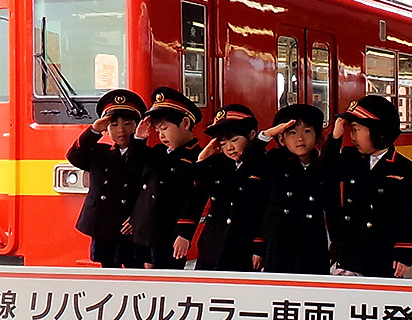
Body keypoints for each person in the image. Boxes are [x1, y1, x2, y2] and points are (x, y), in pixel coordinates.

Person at [323, 95, 412, 278]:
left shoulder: (407, 171)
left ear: (379, 132)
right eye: (351, 130)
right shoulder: (350, 158)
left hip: (382, 258)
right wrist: (335, 136)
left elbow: (410, 216)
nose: (352, 136)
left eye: (356, 130)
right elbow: (324, 173)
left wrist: (404, 254)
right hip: (348, 255)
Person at [66, 89, 148, 268]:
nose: (121, 131)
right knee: (108, 269)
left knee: (135, 269)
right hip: (104, 225)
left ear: (137, 126)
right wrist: (94, 130)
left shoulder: (146, 155)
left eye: (128, 124)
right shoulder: (100, 154)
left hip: (131, 225)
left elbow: (142, 179)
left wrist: (138, 218)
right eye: (114, 126)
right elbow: (74, 155)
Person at [125, 87, 202, 269]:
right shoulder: (158, 152)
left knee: (167, 281)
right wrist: (138, 139)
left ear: (185, 123)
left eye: (165, 128)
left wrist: (184, 233)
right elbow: (132, 168)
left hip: (169, 233)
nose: (161, 135)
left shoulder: (197, 157)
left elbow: (194, 199)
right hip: (145, 232)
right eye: (158, 130)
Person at [186, 104, 269, 272]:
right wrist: (201, 161)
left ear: (252, 135)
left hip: (242, 247)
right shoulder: (217, 165)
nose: (229, 148)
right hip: (212, 247)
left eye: (234, 140)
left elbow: (264, 210)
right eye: (223, 143)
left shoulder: (263, 166)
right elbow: (198, 191)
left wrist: (259, 246)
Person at [258, 104, 331, 274]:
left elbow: (332, 205)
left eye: (307, 131)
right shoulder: (275, 161)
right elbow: (250, 159)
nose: (300, 138)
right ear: (281, 139)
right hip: (281, 242)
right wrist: (268, 134)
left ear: (316, 136)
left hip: (313, 241)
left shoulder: (321, 164)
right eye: (292, 132)